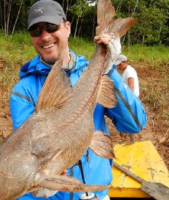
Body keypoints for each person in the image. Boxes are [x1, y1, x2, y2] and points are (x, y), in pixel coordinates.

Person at [9, 0, 147, 199]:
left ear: (67, 28)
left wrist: (110, 72)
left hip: (96, 194)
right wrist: (41, 187)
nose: (45, 36)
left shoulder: (94, 73)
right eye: (36, 31)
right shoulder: (24, 90)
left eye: (51, 27)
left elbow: (135, 124)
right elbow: (27, 154)